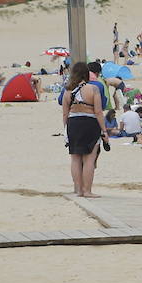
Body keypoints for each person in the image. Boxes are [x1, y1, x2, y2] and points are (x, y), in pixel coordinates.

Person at [62, 61, 106, 199]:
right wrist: (104, 130)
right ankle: (87, 191)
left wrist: (66, 129)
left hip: (73, 123)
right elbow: (98, 112)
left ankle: (79, 190)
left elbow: (65, 114)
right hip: (90, 122)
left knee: (75, 158)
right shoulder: (93, 89)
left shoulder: (67, 91)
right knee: (89, 159)